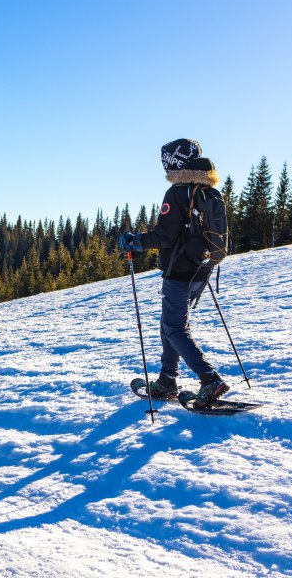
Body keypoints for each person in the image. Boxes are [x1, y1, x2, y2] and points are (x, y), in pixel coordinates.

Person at [118, 138, 229, 408]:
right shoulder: (206, 190)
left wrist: (135, 242)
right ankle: (167, 379)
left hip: (180, 271)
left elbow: (165, 236)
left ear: (175, 163)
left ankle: (209, 379)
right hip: (200, 270)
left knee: (175, 328)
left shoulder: (179, 192)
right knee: (169, 324)